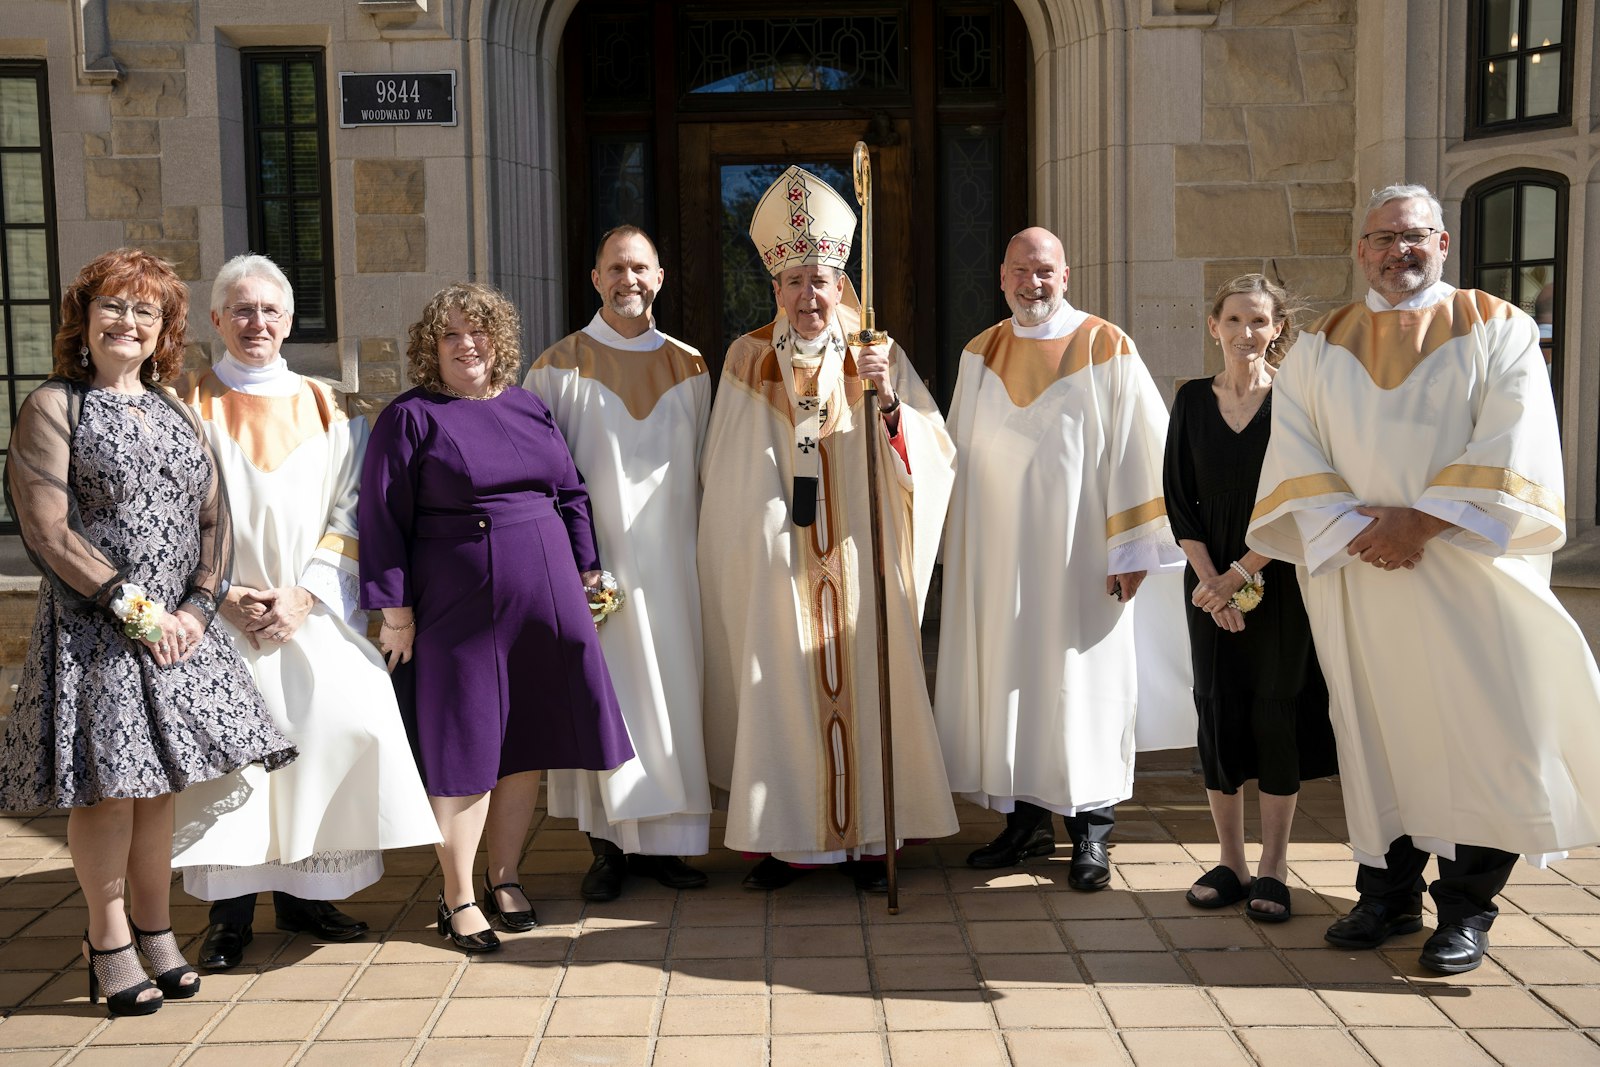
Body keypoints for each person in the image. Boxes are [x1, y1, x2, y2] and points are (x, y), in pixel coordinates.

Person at [1247, 184, 1600, 973]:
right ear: (1360, 249)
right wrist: (1363, 532)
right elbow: (1295, 452)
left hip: (1466, 572)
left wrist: (1422, 522)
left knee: (1477, 733)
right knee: (1375, 732)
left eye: (1413, 237)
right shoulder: (1319, 344)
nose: (1396, 251)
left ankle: (1467, 908)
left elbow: (1516, 443)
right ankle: (1388, 891)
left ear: (1442, 244)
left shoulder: (1497, 326)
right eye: (1381, 238)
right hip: (1359, 578)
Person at [0, 248, 295, 1015]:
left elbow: (215, 519)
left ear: (164, 327)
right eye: (113, 306)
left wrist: (197, 609)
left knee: (160, 788)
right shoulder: (54, 406)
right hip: (99, 630)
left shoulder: (174, 408)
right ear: (84, 317)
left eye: (145, 311)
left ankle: (157, 929)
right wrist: (139, 612)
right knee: (109, 791)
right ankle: (107, 939)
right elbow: (47, 530)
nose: (127, 322)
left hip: (176, 633)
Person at [170, 254, 440, 971]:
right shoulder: (184, 404)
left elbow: (355, 510)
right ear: (218, 319)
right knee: (232, 770)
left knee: (320, 744)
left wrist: (304, 593)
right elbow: (166, 516)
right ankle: (229, 916)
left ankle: (305, 896)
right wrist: (220, 593)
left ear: (290, 321)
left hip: (305, 608)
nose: (257, 322)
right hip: (218, 611)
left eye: (271, 310)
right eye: (243, 309)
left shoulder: (330, 405)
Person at [699, 165, 959, 892]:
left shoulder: (875, 350)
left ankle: (873, 842)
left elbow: (930, 456)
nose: (808, 296)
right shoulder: (747, 358)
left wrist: (885, 400)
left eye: (821, 281)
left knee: (872, 687)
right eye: (795, 282)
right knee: (780, 692)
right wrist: (758, 541)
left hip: (861, 561)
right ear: (774, 287)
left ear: (842, 283)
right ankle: (787, 843)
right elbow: (727, 474)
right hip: (781, 564)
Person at [360, 282, 633, 953]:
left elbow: (569, 490)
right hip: (457, 601)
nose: (467, 345)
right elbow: (382, 516)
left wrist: (587, 569)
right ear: (432, 346)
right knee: (465, 746)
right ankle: (456, 895)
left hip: (546, 595)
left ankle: (504, 875)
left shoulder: (528, 406)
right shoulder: (411, 416)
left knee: (523, 742)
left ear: (497, 341)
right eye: (451, 334)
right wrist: (395, 611)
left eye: (478, 332)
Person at [933, 226, 1187, 892]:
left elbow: (1142, 449)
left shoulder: (1108, 345)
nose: (1031, 282)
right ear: (1001, 277)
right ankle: (1023, 824)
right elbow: (950, 456)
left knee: (1084, 686)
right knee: (1011, 686)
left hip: (1082, 561)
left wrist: (1132, 549)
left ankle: (1092, 833)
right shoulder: (979, 352)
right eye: (1020, 270)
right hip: (999, 565)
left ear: (1065, 275)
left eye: (1043, 271)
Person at [524, 227, 712, 902]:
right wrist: (570, 566)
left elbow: (708, 472)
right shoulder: (558, 366)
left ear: (659, 277)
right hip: (593, 569)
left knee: (673, 699)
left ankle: (670, 844)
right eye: (615, 268)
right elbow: (540, 479)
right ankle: (607, 847)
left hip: (677, 571)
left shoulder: (692, 366)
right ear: (595, 278)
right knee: (609, 701)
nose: (628, 278)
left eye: (640, 267)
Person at [1162, 274, 1337, 921]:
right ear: (1214, 326)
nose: (1245, 334)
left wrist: (1239, 574)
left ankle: (1273, 865)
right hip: (1205, 582)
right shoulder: (1189, 402)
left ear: (1278, 329)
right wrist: (1212, 582)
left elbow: (1301, 498)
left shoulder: (1294, 401)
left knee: (1275, 713)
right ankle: (1231, 860)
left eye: (1259, 321)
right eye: (1233, 320)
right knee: (1218, 712)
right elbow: (1179, 499)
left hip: (1278, 575)